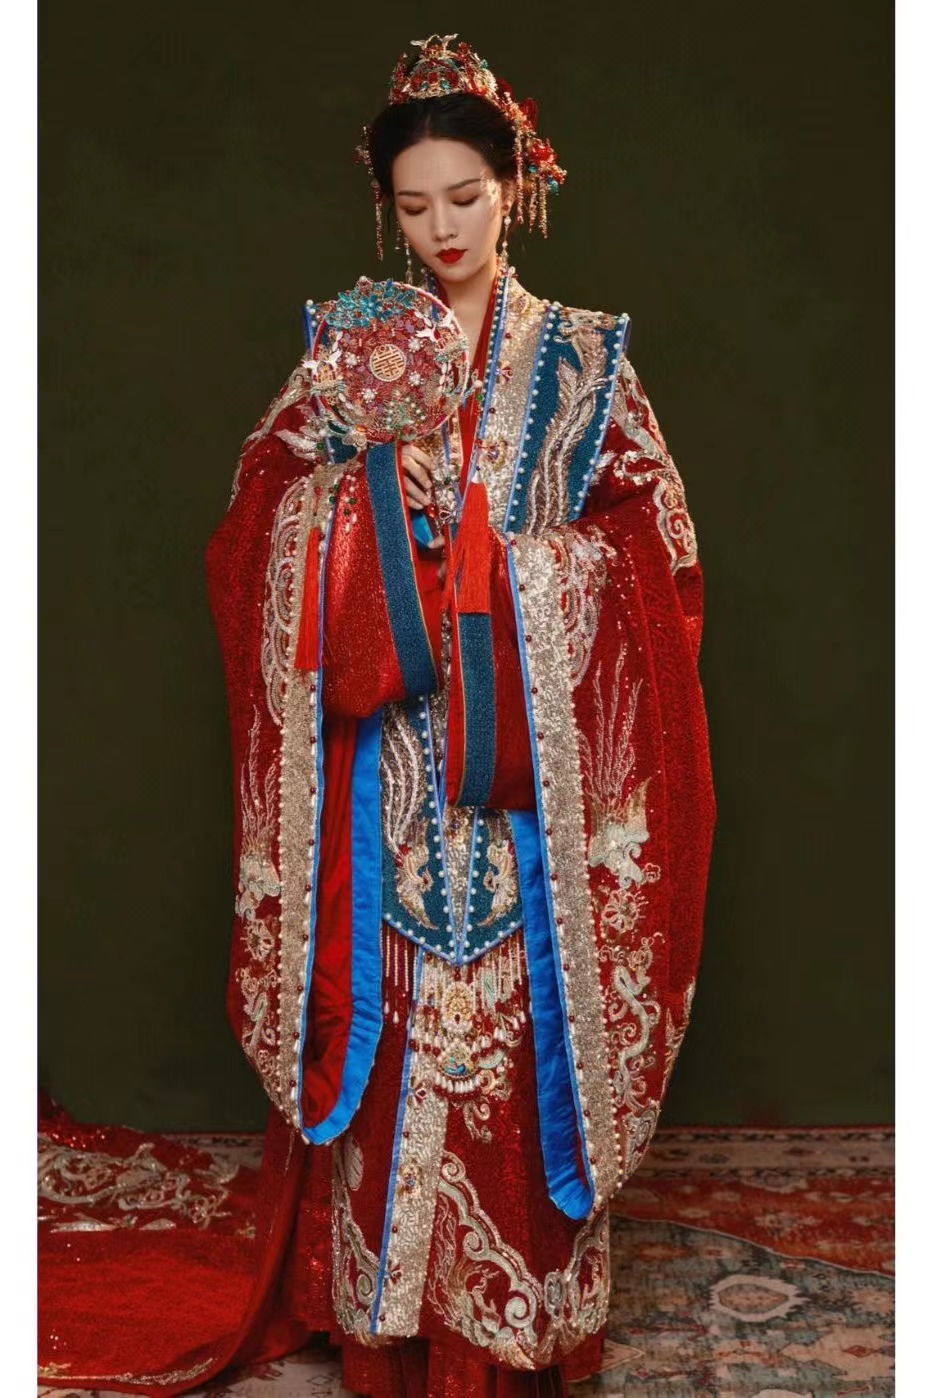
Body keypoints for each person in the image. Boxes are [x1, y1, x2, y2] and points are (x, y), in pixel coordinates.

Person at [38, 32, 715, 1398]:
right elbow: (252, 529)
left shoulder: (586, 364)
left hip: (529, 777)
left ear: (517, 187)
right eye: (414, 207)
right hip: (382, 779)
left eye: (465, 197)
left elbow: (662, 564)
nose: (443, 230)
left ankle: (508, 1324)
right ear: (386, 210)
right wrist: (354, 519)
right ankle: (386, 1319)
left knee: (519, 1051)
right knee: (389, 1020)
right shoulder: (349, 358)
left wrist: (516, 578)